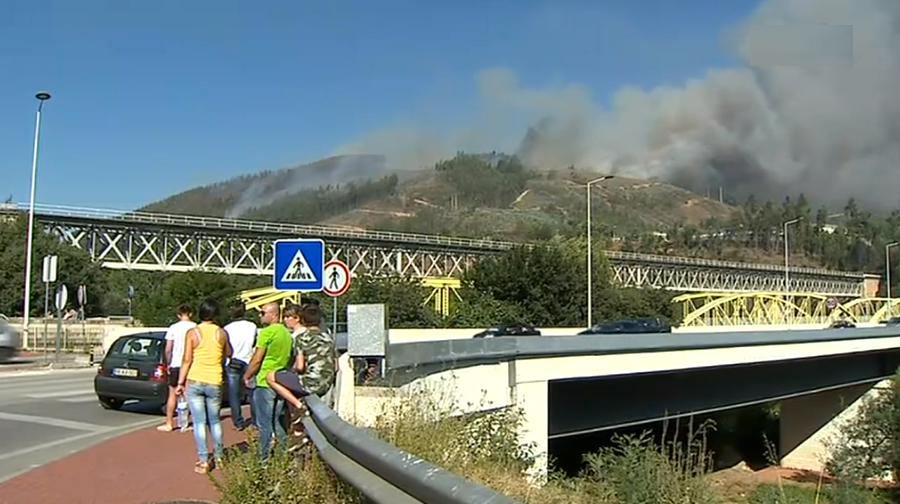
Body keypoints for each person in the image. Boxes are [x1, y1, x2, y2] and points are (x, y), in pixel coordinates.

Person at [267, 303, 336, 453]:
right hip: (326, 384)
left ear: (302, 320)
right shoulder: (329, 338)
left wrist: (289, 373)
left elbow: (299, 366)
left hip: (310, 382)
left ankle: (298, 405)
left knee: (271, 377)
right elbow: (335, 366)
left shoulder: (302, 338)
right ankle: (301, 433)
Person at [175, 298, 233, 474]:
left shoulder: (193, 333)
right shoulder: (221, 333)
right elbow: (229, 353)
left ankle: (203, 459)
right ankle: (219, 456)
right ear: (216, 314)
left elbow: (186, 359)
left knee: (199, 422)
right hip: (214, 379)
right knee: (214, 420)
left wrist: (180, 382)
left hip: (195, 379)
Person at [242, 302, 292, 460]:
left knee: (264, 423)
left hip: (264, 381)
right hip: (280, 380)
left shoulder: (266, 333)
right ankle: (283, 455)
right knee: (277, 420)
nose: (260, 315)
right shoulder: (286, 333)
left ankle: (262, 458)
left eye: (263, 313)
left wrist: (247, 375)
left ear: (274, 315)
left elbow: (257, 358)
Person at [158, 304, 196, 432]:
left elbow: (168, 349)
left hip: (175, 364)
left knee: (172, 394)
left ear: (178, 315)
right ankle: (186, 423)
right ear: (190, 314)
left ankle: (169, 423)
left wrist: (168, 363)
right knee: (188, 395)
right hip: (190, 364)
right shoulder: (195, 327)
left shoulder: (173, 328)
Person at [222, 300, 257, 430]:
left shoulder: (227, 328)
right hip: (248, 360)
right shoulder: (252, 326)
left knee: (234, 393)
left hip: (232, 361)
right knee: (252, 391)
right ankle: (255, 421)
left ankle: (238, 422)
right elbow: (255, 343)